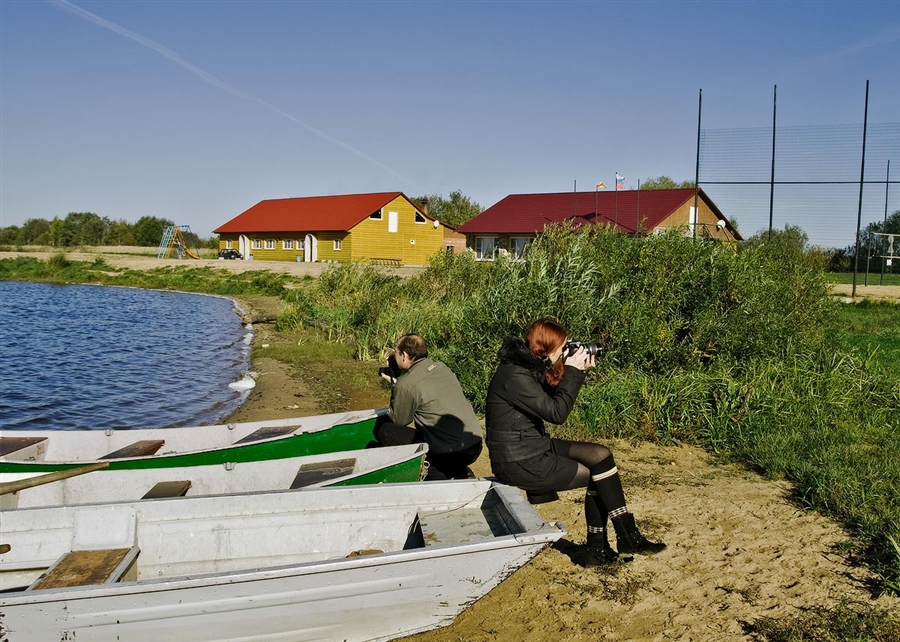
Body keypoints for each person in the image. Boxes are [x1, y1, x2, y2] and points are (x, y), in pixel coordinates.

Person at [485, 318, 665, 566]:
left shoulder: (525, 366)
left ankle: (621, 538)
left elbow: (549, 395)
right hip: (519, 460)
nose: (564, 352)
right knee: (598, 477)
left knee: (601, 455)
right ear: (547, 347)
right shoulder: (515, 375)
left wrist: (576, 370)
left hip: (532, 446)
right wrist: (573, 372)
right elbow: (557, 413)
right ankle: (604, 545)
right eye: (562, 347)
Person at [373, 334, 483, 480]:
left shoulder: (406, 384)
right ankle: (456, 470)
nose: (395, 356)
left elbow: (399, 420)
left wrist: (397, 386)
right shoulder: (442, 367)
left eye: (396, 353)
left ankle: (439, 471)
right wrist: (398, 381)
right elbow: (423, 389)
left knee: (385, 431)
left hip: (451, 452)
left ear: (404, 355)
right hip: (474, 445)